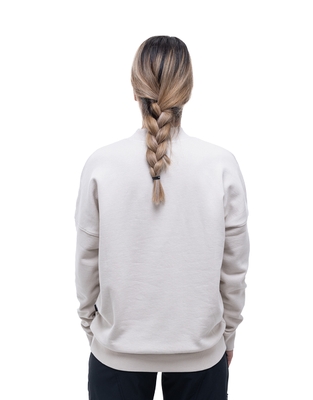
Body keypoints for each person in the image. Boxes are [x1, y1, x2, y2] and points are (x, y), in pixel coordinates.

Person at [74, 35, 250, 400]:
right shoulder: (221, 165)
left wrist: (95, 332)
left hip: (116, 353)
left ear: (134, 89)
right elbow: (234, 268)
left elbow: (86, 262)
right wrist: (227, 335)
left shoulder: (101, 164)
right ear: (187, 90)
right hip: (201, 355)